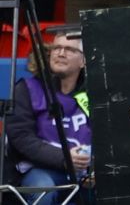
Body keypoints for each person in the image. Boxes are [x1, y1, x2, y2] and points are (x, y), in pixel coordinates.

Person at [6, 32, 92, 205]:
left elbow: (109, 137)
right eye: (56, 48)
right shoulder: (27, 88)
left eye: (69, 49)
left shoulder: (95, 94)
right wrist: (64, 158)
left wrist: (96, 169)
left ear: (84, 61)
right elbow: (21, 138)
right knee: (43, 189)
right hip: (39, 170)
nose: (60, 53)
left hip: (86, 173)